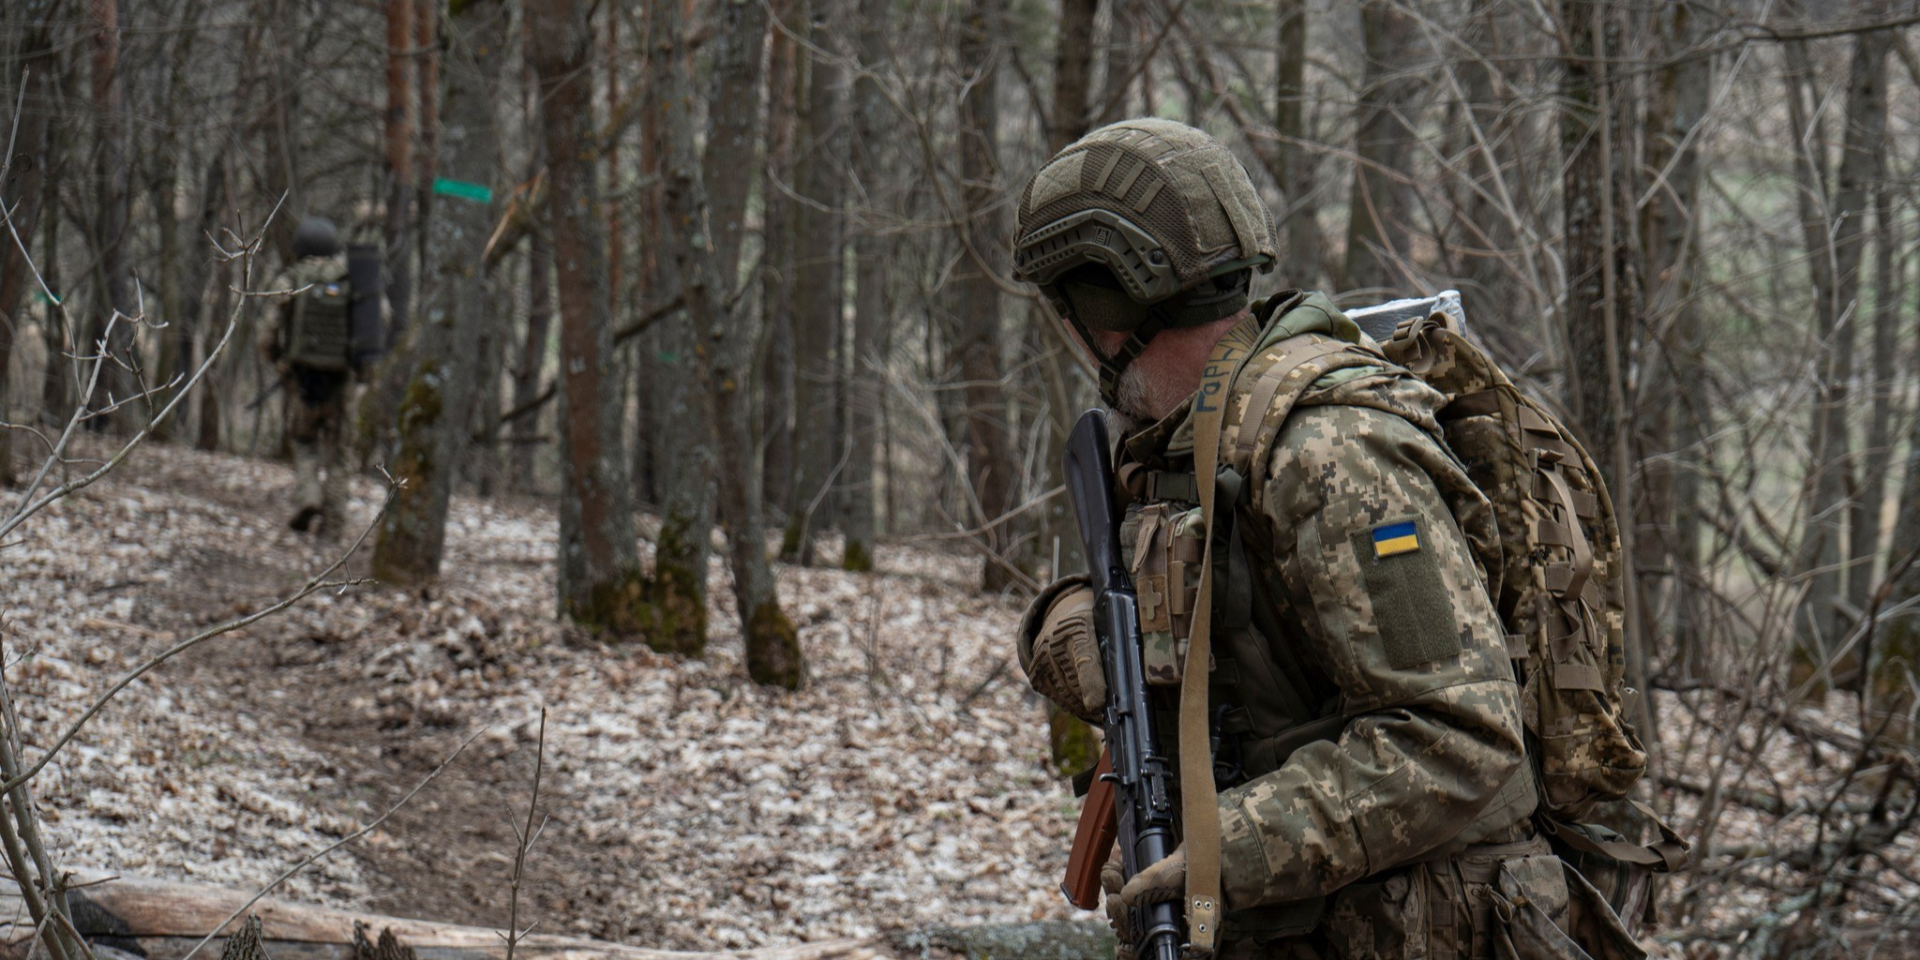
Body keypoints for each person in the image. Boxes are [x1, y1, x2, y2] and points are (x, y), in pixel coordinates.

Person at [1012, 119, 1609, 959]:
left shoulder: (1329, 452)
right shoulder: (1177, 439)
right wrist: (1066, 627)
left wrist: (1226, 849)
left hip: (1410, 931)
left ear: (1102, 308)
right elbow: (1155, 602)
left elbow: (1456, 735)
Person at [265, 216, 357, 537]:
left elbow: (268, 329)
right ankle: (332, 529)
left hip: (302, 380)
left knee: (304, 443)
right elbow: (382, 317)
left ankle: (309, 497)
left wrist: (278, 361)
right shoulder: (352, 278)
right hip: (343, 382)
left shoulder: (292, 278)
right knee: (340, 455)